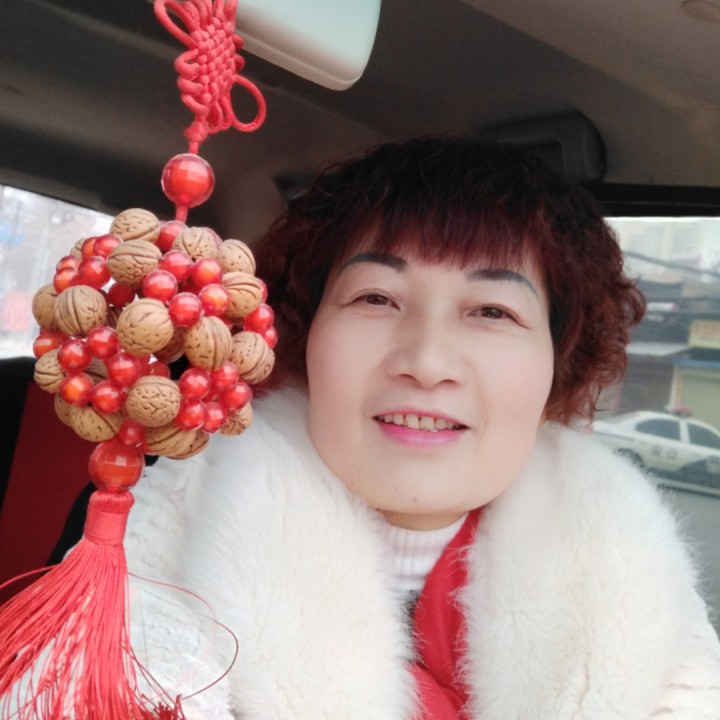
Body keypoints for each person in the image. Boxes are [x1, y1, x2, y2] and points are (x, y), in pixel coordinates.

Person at [124, 137, 720, 719]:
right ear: (305, 337)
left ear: (558, 366)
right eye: (376, 299)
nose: (427, 361)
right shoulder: (169, 540)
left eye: (493, 311)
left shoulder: (635, 578)